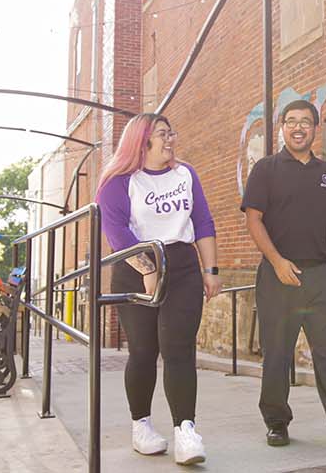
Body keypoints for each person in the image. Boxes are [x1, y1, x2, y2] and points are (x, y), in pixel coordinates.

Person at [242, 99, 326, 451]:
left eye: (306, 122)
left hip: (319, 275)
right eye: (291, 121)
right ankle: (276, 422)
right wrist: (276, 262)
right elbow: (253, 220)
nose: (298, 127)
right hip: (277, 276)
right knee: (277, 353)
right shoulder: (266, 170)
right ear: (282, 128)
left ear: (316, 128)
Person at [96, 113, 222, 466]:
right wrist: (148, 269)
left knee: (179, 347)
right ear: (142, 141)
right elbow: (117, 232)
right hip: (135, 265)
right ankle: (142, 425)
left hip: (181, 264)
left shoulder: (185, 174)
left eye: (170, 133)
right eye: (163, 135)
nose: (170, 140)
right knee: (144, 350)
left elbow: (203, 221)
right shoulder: (118, 182)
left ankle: (186, 430)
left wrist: (211, 270)